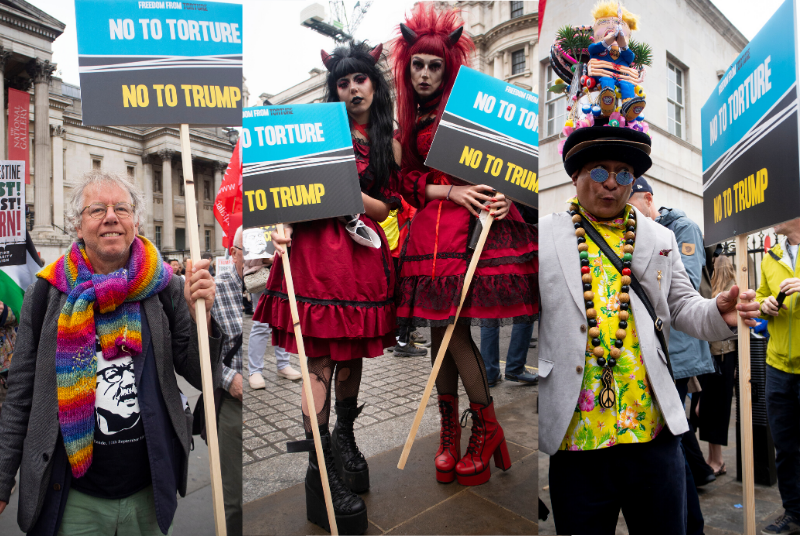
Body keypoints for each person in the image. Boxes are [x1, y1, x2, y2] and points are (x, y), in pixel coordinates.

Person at [538, 125, 761, 535]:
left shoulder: (659, 237)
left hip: (652, 433)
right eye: (598, 170)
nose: (611, 183)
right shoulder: (544, 235)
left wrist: (719, 313)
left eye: (623, 173)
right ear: (575, 175)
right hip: (577, 439)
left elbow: (682, 306)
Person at [0, 170, 221, 536]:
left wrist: (205, 316)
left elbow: (200, 373)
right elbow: (21, 394)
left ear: (135, 221)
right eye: (96, 209)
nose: (111, 217)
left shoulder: (166, 286)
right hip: (72, 494)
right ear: (77, 224)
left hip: (147, 487)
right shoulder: (46, 293)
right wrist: (3, 476)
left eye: (121, 208)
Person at [390, 3, 538, 487]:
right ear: (406, 67)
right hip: (430, 230)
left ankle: (486, 427)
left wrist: (501, 195)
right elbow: (406, 180)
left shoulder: (467, 108)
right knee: (438, 333)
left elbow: (510, 164)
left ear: (448, 67)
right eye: (418, 64)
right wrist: (446, 189)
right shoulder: (409, 120)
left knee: (453, 330)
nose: (426, 74)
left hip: (470, 230)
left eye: (435, 65)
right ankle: (450, 434)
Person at [258, 40, 401, 535]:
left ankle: (344, 439)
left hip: (360, 256)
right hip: (316, 252)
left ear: (373, 83)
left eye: (360, 79)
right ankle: (319, 474)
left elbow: (386, 207)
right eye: (342, 82)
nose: (352, 88)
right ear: (334, 90)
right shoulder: (312, 130)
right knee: (318, 360)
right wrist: (279, 223)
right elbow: (282, 183)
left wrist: (344, 189)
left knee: (352, 353)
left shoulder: (389, 141)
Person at [629, 178, 715, 534]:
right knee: (672, 442)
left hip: (677, 353)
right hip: (653, 354)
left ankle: (690, 523)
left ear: (648, 199)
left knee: (671, 444)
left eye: (630, 205)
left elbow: (683, 288)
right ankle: (690, 519)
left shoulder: (681, 228)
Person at [755, 217, 800, 535]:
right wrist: (764, 305)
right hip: (778, 367)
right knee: (785, 447)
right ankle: (794, 514)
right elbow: (758, 298)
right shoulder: (769, 257)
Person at [210, 226, 245, 536]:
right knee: (234, 499)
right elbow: (197, 355)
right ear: (234, 253)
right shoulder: (216, 291)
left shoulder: (275, 287)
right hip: (235, 405)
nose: (259, 263)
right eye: (250, 255)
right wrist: (230, 378)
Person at [693, 255, 737, 477]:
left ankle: (717, 459)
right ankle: (715, 458)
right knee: (710, 409)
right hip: (717, 356)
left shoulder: (715, 289)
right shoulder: (721, 289)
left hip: (717, 356)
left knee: (712, 409)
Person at [244, 256, 301, 388]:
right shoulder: (248, 234)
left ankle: (283, 364)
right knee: (261, 324)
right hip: (262, 276)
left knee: (283, 320)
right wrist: (271, 259)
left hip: (283, 273)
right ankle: (255, 370)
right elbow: (247, 257)